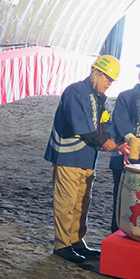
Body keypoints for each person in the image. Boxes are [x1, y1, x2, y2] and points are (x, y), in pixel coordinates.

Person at [44, 55, 120, 263]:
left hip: (87, 158)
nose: (109, 84)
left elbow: (107, 120)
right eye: (108, 79)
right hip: (68, 156)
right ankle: (63, 245)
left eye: (112, 81)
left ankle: (77, 241)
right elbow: (82, 127)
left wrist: (108, 137)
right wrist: (104, 142)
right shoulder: (75, 91)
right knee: (66, 202)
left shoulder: (98, 97)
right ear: (95, 72)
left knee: (81, 203)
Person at [109, 63, 140, 233]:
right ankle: (116, 232)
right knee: (122, 198)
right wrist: (139, 146)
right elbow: (123, 125)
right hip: (126, 157)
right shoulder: (126, 96)